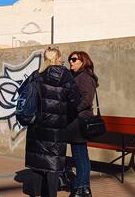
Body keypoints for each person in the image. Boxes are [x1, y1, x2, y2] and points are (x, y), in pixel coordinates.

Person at [24, 46, 80, 197]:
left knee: (38, 164)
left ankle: (36, 194)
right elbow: (76, 100)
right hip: (57, 127)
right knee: (53, 165)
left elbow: (25, 96)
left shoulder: (36, 75)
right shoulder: (66, 76)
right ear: (57, 58)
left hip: (36, 126)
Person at [67, 51, 99, 197]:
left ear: (83, 61)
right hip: (76, 121)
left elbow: (87, 99)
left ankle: (82, 187)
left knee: (80, 155)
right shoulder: (77, 76)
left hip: (81, 121)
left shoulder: (84, 77)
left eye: (74, 59)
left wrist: (74, 109)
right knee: (79, 155)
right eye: (70, 59)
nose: (71, 62)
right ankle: (83, 188)